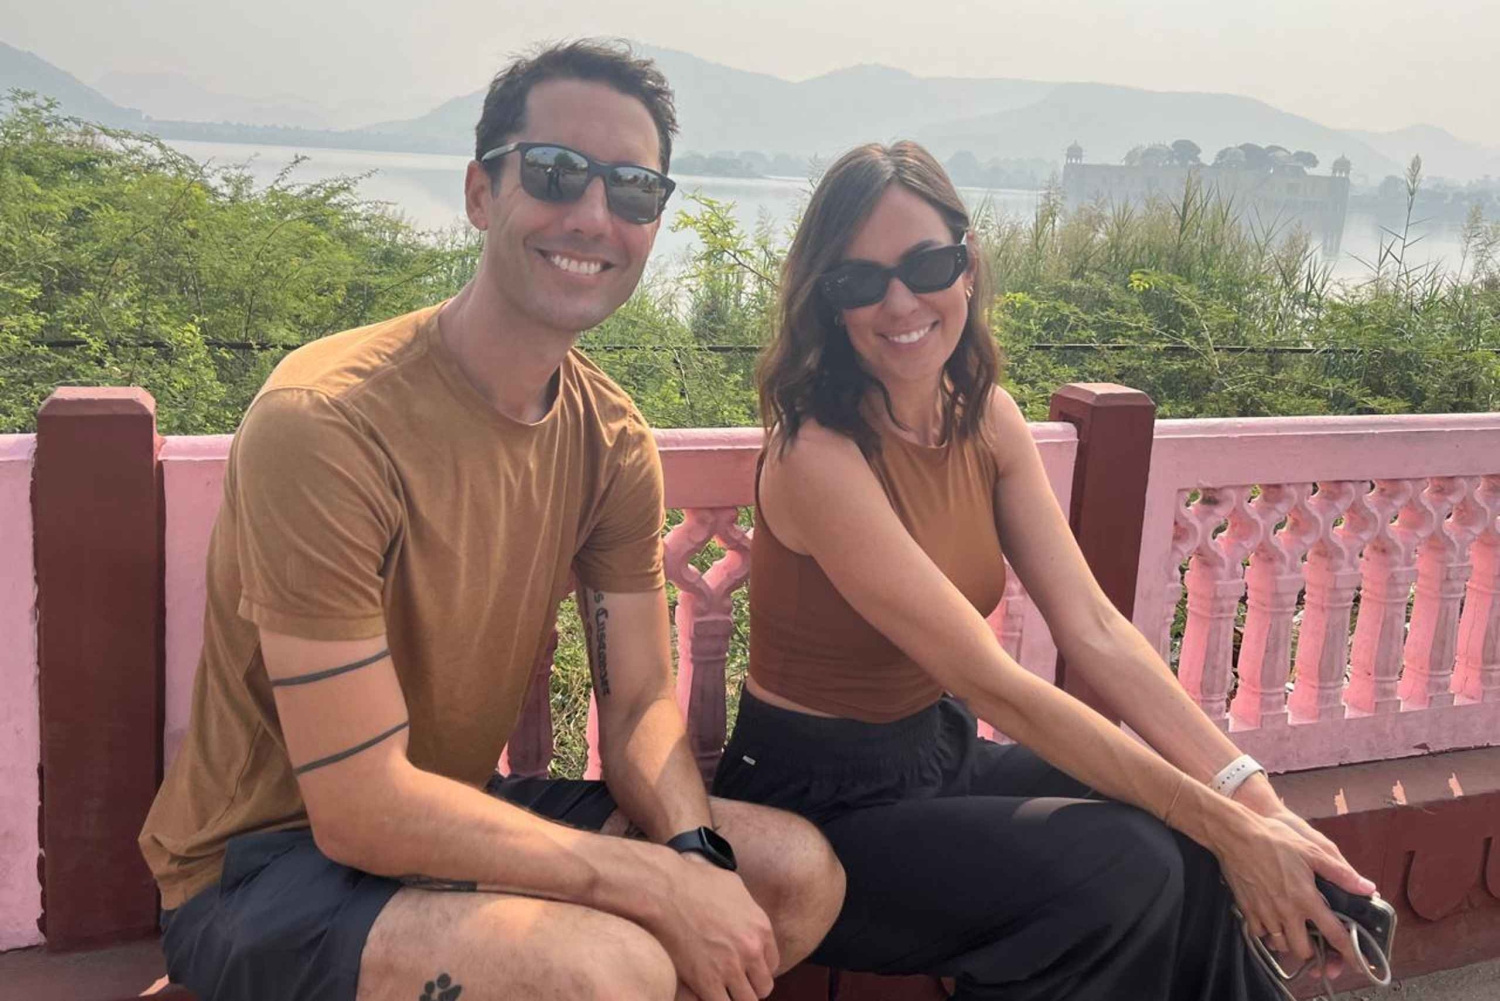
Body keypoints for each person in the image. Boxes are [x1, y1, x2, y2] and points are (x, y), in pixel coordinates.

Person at [138, 40, 844, 1001]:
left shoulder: (609, 439)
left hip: (456, 812)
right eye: (555, 173)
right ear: (480, 193)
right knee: (609, 969)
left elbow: (639, 700)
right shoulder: (330, 422)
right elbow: (359, 804)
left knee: (794, 874)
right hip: (263, 863)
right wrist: (647, 883)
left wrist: (693, 852)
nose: (592, 214)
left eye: (634, 190)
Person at [710, 140, 1376, 1001]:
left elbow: (1095, 628)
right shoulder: (816, 455)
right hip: (820, 801)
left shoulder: (986, 418)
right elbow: (993, 681)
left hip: (938, 754)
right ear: (827, 300)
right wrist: (1229, 826)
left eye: (927, 265)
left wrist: (1257, 806)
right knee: (1127, 862)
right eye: (860, 280)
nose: (900, 302)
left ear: (968, 264)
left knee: (1186, 836)